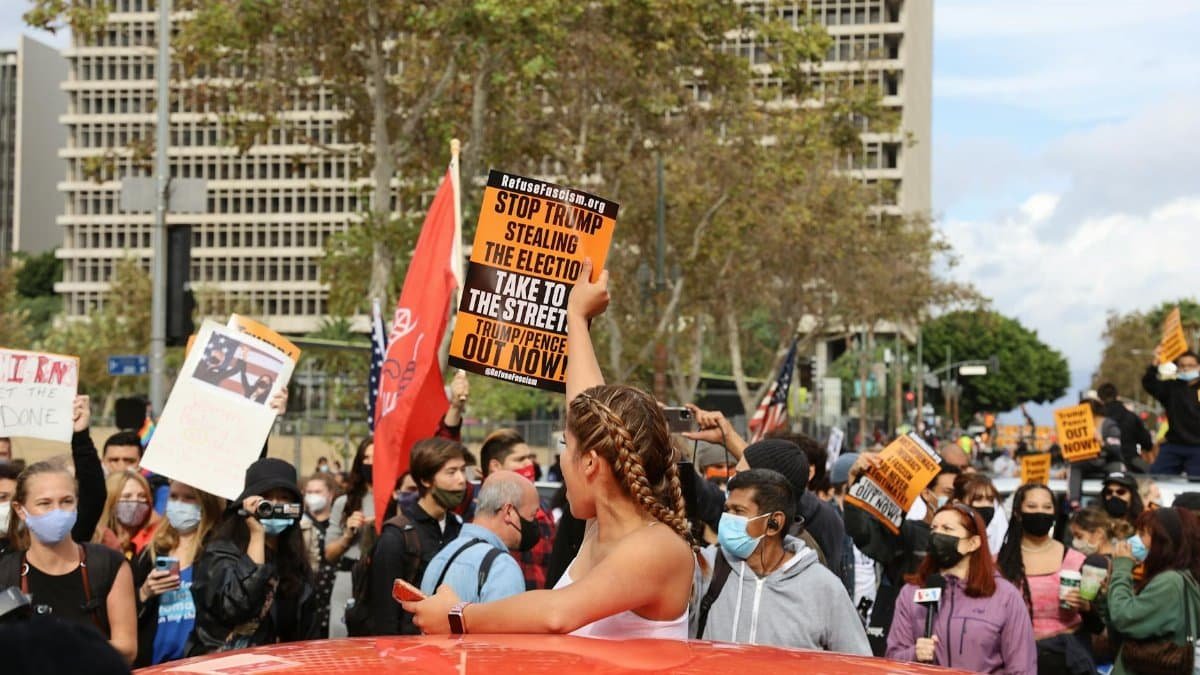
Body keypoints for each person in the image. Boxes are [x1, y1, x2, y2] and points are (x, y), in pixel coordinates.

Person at [403, 258, 694, 639]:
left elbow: (557, 613)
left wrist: (458, 616)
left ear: (590, 463)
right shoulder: (602, 528)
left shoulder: (657, 547)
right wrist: (576, 315)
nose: (559, 457)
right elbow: (587, 406)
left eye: (564, 445)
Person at [694, 468, 870, 654]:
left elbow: (858, 663)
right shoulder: (708, 567)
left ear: (774, 523)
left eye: (739, 511)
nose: (728, 519)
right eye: (726, 510)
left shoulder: (823, 587)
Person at [0, 459, 137, 663]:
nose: (57, 511)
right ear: (20, 509)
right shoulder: (6, 571)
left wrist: (55, 648)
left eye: (66, 501)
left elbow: (127, 649)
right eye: (44, 503)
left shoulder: (108, 564)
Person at [187, 458, 319, 654]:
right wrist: (257, 535)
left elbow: (307, 631)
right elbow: (235, 606)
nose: (274, 506)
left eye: (283, 498)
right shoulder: (220, 552)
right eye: (266, 499)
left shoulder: (294, 562)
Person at [887, 503, 1036, 673]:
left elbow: (1022, 666)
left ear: (973, 543)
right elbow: (892, 659)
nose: (937, 534)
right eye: (933, 528)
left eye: (947, 529)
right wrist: (914, 654)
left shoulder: (1005, 596)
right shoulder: (911, 593)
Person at [844, 455, 957, 656]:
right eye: (948, 493)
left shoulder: (969, 541)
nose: (954, 500)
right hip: (902, 639)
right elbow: (862, 532)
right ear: (927, 494)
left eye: (959, 494)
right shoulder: (906, 533)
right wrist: (855, 482)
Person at [365, 437, 468, 635]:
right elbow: (385, 615)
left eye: (463, 470)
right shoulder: (396, 536)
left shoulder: (459, 528)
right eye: (451, 472)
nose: (461, 480)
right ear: (425, 480)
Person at [996, 484, 1095, 673]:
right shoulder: (1000, 562)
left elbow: (1098, 625)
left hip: (1067, 661)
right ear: (1018, 513)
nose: (1040, 512)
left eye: (1047, 507)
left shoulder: (1076, 560)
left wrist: (1086, 606)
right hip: (1015, 659)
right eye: (1032, 507)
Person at [131, 481, 225, 666]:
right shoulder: (151, 552)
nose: (179, 504)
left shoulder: (217, 552)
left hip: (200, 661)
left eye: (189, 498)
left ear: (205, 503)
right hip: (154, 664)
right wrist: (144, 593)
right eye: (173, 497)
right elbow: (126, 612)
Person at [1107, 506, 1200, 675]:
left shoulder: (1170, 582)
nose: (1134, 540)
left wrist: (1121, 568)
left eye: (1143, 534)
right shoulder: (1185, 576)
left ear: (1164, 541)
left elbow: (1124, 618)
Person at [420, 471, 536, 602]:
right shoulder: (501, 567)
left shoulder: (442, 556)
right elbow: (507, 622)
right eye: (532, 515)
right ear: (509, 512)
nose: (534, 523)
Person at [479, 428, 558, 591]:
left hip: (541, 605)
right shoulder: (478, 507)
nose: (529, 464)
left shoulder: (542, 506)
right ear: (495, 466)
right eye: (520, 459)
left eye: (529, 457)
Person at [1142, 351, 1200, 477]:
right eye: (1182, 365)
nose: (1186, 368)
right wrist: (1155, 363)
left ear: (1198, 367)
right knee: (1156, 479)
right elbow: (1149, 383)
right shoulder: (1171, 388)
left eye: (1190, 365)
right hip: (1174, 445)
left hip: (1197, 447)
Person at [300, 472, 339, 638]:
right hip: (310, 595)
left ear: (330, 495)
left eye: (318, 492)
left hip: (334, 594)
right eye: (309, 492)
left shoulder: (338, 524)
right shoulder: (300, 522)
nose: (312, 496)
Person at [94, 470, 159, 559]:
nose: (135, 501)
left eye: (142, 496)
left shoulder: (155, 539)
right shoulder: (97, 539)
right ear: (111, 500)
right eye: (127, 496)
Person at [1097, 383, 1154, 473]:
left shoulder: (1097, 420)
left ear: (1099, 399)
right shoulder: (1132, 417)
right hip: (1131, 463)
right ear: (1117, 396)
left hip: (1104, 464)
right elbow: (1147, 443)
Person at [952, 473, 1008, 555]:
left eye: (990, 499)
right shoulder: (948, 539)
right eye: (978, 499)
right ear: (958, 503)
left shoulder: (1000, 543)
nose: (985, 504)